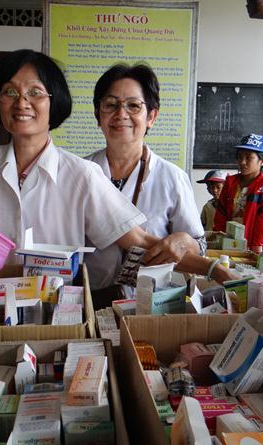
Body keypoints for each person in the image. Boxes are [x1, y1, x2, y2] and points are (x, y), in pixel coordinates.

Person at [0, 49, 234, 287]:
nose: (21, 102)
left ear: (54, 101)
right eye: (9, 92)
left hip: (57, 311)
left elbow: (140, 241)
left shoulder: (80, 174)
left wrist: (213, 269)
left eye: (35, 92)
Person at [85, 63, 205, 290]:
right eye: (111, 105)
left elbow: (199, 244)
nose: (121, 114)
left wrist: (187, 242)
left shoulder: (172, 177)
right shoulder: (81, 172)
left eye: (133, 105)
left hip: (152, 301)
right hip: (90, 298)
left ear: (151, 116)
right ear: (98, 115)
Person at [214, 134, 263, 254]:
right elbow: (221, 213)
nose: (242, 162)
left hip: (249, 242)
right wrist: (218, 237)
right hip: (227, 239)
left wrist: (257, 245)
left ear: (262, 161)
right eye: (239, 157)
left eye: (249, 158)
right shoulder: (230, 181)